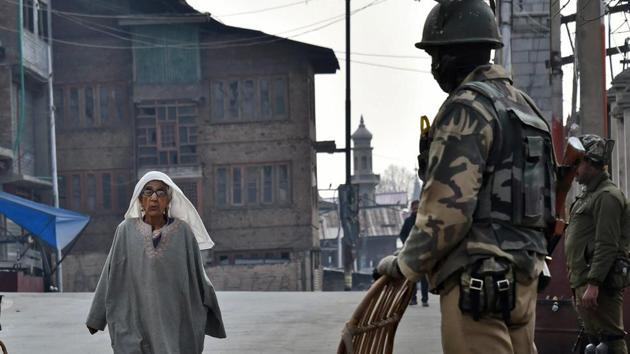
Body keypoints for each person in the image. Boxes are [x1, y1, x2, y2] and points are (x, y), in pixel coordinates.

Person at [375, 1, 557, 353]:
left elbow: (446, 213)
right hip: (524, 278)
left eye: (437, 55)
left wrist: (404, 264)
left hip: (477, 283)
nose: (434, 66)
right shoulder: (524, 106)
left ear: (454, 55)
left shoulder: (467, 108)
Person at [86, 171, 226, 353]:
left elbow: (198, 277)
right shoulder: (125, 231)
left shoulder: (183, 233)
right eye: (148, 192)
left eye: (160, 193)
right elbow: (109, 273)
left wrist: (212, 314)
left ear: (168, 200)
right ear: (139, 200)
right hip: (134, 319)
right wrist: (96, 318)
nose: (154, 198)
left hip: (174, 320)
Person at [564, 135, 627, 354]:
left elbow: (607, 244)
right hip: (584, 282)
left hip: (600, 285)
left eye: (578, 162)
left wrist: (594, 283)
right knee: (594, 344)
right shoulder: (588, 196)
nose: (575, 168)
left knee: (610, 342)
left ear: (591, 163)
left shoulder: (607, 196)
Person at [399, 200, 429, 307]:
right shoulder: (408, 221)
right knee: (412, 278)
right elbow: (402, 234)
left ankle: (425, 299)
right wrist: (406, 244)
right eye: (414, 208)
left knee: (424, 278)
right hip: (411, 253)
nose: (416, 210)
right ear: (412, 209)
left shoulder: (424, 220)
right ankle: (413, 298)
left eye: (418, 208)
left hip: (423, 252)